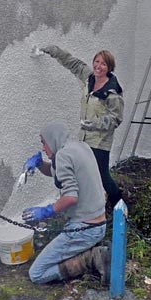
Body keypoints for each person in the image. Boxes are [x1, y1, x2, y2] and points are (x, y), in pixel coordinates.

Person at [21, 121, 110, 284]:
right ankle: (93, 250)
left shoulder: (63, 155)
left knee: (37, 274)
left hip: (84, 229)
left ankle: (91, 258)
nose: (43, 148)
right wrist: (41, 165)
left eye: (43, 142)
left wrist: (46, 211)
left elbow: (70, 197)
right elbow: (61, 174)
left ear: (53, 139)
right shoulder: (80, 147)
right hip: (98, 224)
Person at [38, 45, 123, 209]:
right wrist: (54, 51)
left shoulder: (112, 92)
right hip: (83, 139)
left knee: (102, 176)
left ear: (109, 68)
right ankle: (87, 205)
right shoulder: (88, 78)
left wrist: (94, 124)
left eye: (103, 64)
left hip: (100, 142)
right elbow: (73, 63)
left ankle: (119, 204)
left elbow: (116, 118)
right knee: (82, 172)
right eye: (96, 62)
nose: (98, 66)